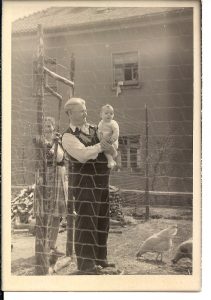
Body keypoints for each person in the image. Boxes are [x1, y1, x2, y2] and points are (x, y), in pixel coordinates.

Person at [62, 97, 116, 274]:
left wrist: (109, 147)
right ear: (70, 113)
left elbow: (112, 147)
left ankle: (101, 259)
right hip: (84, 185)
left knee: (102, 221)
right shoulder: (68, 136)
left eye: (85, 109)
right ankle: (86, 264)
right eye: (81, 110)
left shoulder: (95, 128)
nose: (85, 113)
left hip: (102, 181)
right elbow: (84, 155)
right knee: (86, 223)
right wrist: (102, 145)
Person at [42, 116, 67, 253]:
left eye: (50, 125)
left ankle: (53, 244)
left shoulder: (58, 139)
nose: (49, 129)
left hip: (60, 177)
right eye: (46, 126)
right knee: (49, 212)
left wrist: (59, 142)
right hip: (50, 177)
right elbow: (47, 159)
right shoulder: (42, 142)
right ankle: (45, 245)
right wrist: (53, 146)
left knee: (58, 213)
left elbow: (63, 157)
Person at [97, 104, 119, 169]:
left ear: (113, 115)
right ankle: (111, 160)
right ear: (101, 115)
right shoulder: (101, 123)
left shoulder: (113, 123)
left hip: (112, 141)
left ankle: (113, 155)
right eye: (106, 113)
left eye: (111, 113)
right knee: (105, 152)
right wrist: (100, 139)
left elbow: (116, 132)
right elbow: (99, 132)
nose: (109, 115)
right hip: (104, 141)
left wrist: (112, 139)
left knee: (108, 150)